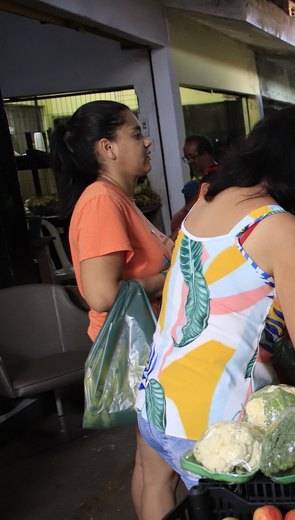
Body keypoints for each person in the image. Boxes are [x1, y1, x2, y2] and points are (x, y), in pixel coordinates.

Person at [134, 105, 295, 515]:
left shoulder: (207, 199)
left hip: (158, 391)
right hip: (217, 416)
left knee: (155, 486)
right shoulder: (279, 228)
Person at [51, 100, 176, 520]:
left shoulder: (119, 197)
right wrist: (172, 275)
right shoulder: (102, 201)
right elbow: (102, 294)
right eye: (136, 132)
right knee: (164, 468)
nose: (147, 140)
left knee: (150, 463)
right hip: (140, 351)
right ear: (107, 148)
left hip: (149, 346)